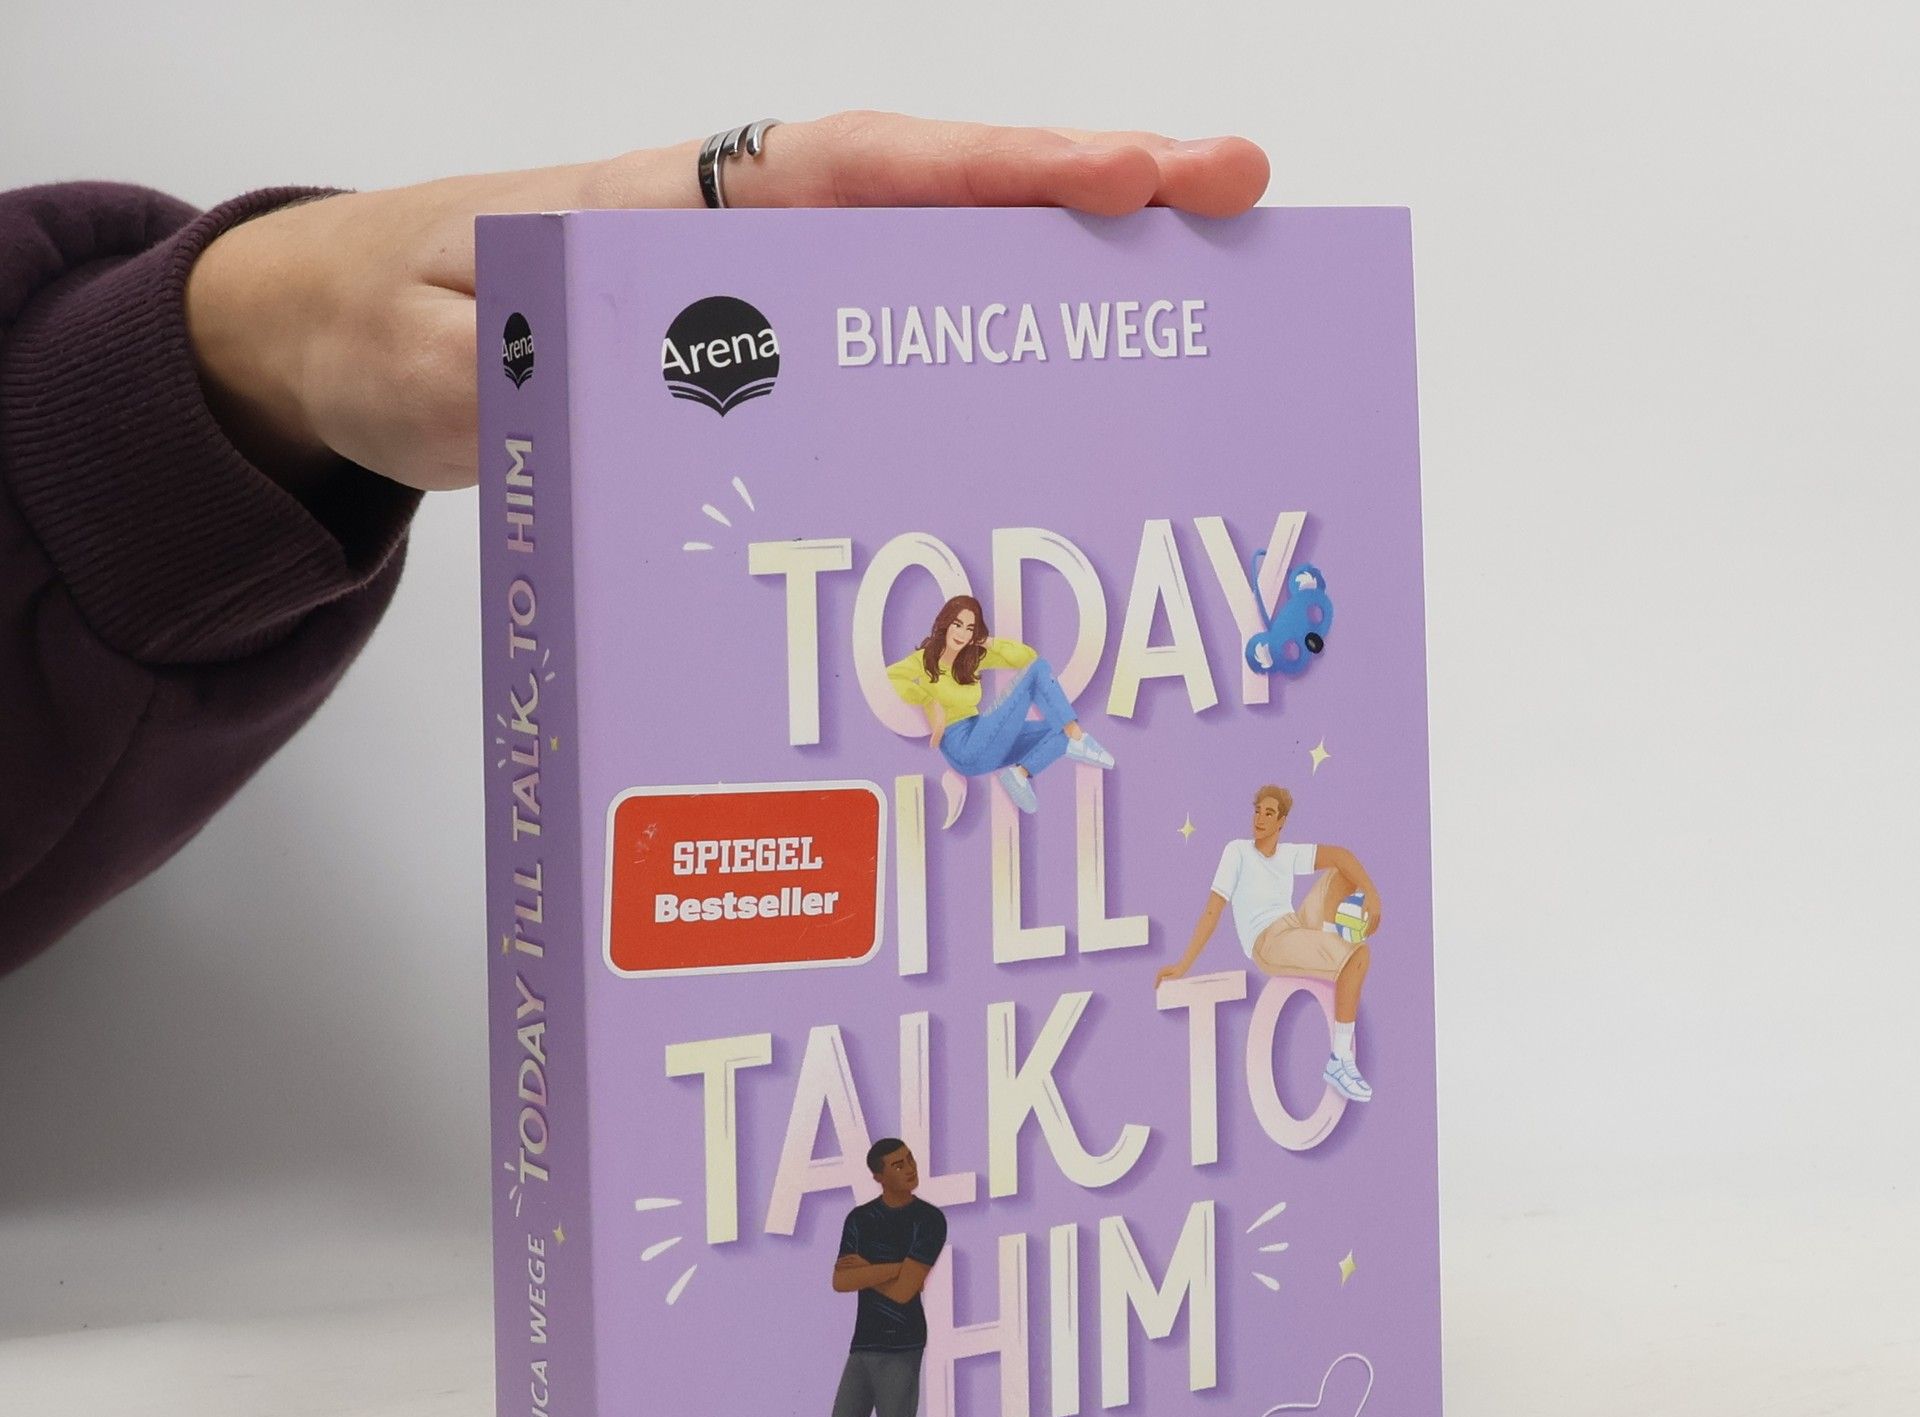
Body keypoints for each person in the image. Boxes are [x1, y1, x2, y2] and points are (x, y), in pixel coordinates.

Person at [0, 115, 1269, 976]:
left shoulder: (996, 651)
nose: (968, 623)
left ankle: (1058, 762)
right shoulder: (924, 670)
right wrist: (247, 350)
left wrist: (234, 354)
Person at [1156, 784, 1384, 1101]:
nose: (1260, 819)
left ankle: (1329, 947)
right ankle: (1339, 1060)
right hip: (1269, 941)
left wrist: (1371, 893)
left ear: (1281, 822)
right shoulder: (1237, 851)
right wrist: (1183, 965)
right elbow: (1212, 912)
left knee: (1342, 871)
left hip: (1294, 925)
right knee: (1359, 956)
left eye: (1269, 813)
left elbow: (1341, 855)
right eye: (1257, 811)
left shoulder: (1287, 854)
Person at [823, 1138, 947, 1417]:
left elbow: (903, 1291)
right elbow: (840, 1281)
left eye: (910, 1159)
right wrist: (895, 1266)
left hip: (903, 1344)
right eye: (897, 1164)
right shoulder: (859, 1219)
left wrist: (869, 1269)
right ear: (878, 1175)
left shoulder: (929, 1219)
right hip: (864, 1345)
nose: (909, 1168)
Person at [886, 594, 1115, 813]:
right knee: (1041, 672)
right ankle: (1079, 737)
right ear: (945, 624)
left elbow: (1028, 657)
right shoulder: (925, 659)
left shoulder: (971, 658)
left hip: (982, 740)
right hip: (961, 746)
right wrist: (928, 701)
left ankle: (1020, 774)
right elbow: (891, 677)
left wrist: (987, 642)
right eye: (957, 624)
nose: (962, 634)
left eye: (970, 628)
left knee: (1059, 729)